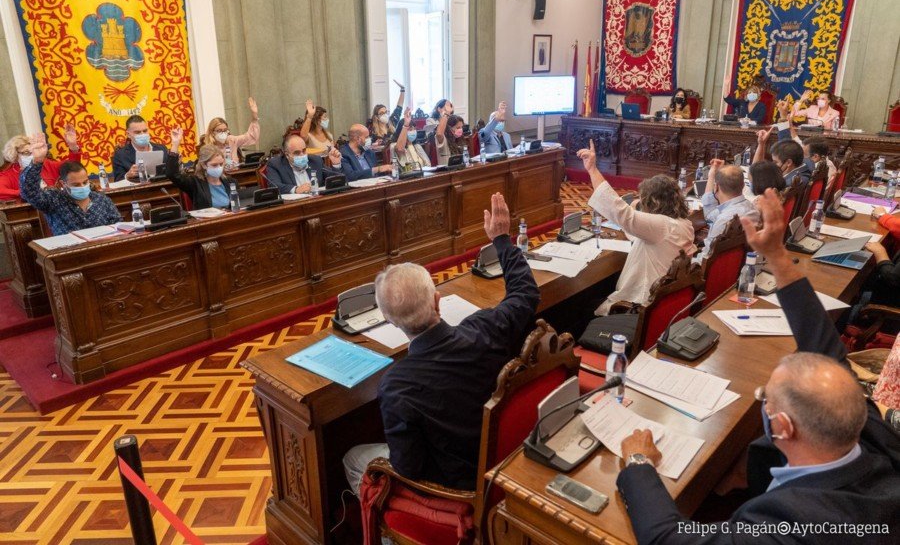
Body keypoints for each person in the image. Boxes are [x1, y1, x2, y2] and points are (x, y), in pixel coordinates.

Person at [615, 189, 900, 544]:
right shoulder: (875, 434)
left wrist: (639, 463)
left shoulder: (786, 525)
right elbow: (825, 347)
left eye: (766, 397)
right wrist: (777, 255)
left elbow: (668, 539)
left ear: (781, 427)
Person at [342, 192, 539, 493]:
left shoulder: (396, 385)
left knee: (354, 457)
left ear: (390, 320)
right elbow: (524, 294)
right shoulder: (485, 328)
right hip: (504, 460)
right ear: (437, 301)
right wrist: (502, 239)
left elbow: (408, 468)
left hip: (457, 490)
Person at [577, 140, 695, 315]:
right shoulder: (685, 223)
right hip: (665, 302)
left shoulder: (661, 226)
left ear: (652, 203)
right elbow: (637, 232)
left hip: (639, 306)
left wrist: (592, 169)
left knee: (580, 307)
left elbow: (620, 212)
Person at [19, 143, 120, 236]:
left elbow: (119, 226)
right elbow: (29, 192)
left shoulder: (101, 200)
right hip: (69, 252)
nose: (82, 187)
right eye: (76, 184)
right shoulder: (53, 200)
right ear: (64, 183)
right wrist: (37, 162)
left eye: (85, 182)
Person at [698, 160, 759, 260]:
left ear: (716, 187)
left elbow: (706, 257)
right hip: (736, 264)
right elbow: (710, 216)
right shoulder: (752, 207)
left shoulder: (724, 220)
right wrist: (712, 176)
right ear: (743, 186)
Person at [165, 130, 239, 209]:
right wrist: (175, 144)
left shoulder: (231, 182)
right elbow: (172, 174)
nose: (219, 167)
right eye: (214, 165)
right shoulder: (194, 183)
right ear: (204, 165)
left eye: (221, 164)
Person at [1, 128, 80, 200]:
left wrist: (73, 148)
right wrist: (26, 193)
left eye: (33, 151)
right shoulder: (9, 174)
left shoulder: (46, 164)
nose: (32, 155)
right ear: (15, 155)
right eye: (26, 153)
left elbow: (72, 167)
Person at [265, 133, 344, 195]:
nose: (302, 155)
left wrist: (336, 164)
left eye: (304, 151)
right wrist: (296, 189)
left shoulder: (315, 160)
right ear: (287, 154)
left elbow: (336, 181)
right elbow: (274, 186)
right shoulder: (276, 164)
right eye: (297, 153)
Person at [198, 97, 260, 163]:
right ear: (212, 132)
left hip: (235, 172)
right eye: (219, 131)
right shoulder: (207, 149)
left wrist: (254, 117)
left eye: (225, 130)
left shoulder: (231, 140)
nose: (223, 133)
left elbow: (251, 137)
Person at [112, 114, 171, 181]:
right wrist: (127, 175)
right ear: (128, 134)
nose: (142, 134)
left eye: (145, 131)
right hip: (137, 190)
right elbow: (117, 180)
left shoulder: (162, 149)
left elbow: (170, 173)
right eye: (137, 132)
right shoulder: (120, 155)